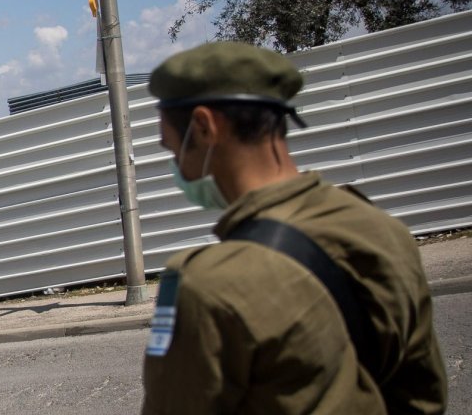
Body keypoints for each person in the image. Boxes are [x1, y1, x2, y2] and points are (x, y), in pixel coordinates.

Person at [141, 42, 447, 414]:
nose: (178, 168)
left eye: (173, 150)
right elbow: (423, 395)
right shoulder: (382, 230)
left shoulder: (205, 285)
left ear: (204, 127)